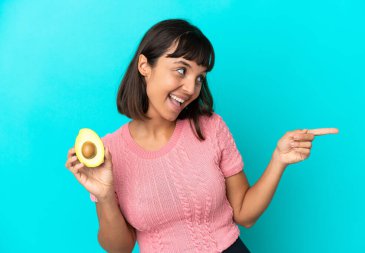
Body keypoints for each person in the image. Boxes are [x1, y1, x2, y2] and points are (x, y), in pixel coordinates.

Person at [65, 19, 339, 253]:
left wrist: (278, 159)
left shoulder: (211, 127)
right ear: (144, 66)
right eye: (181, 70)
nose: (190, 88)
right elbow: (120, 247)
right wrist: (104, 196)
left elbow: (245, 214)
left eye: (199, 77)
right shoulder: (109, 152)